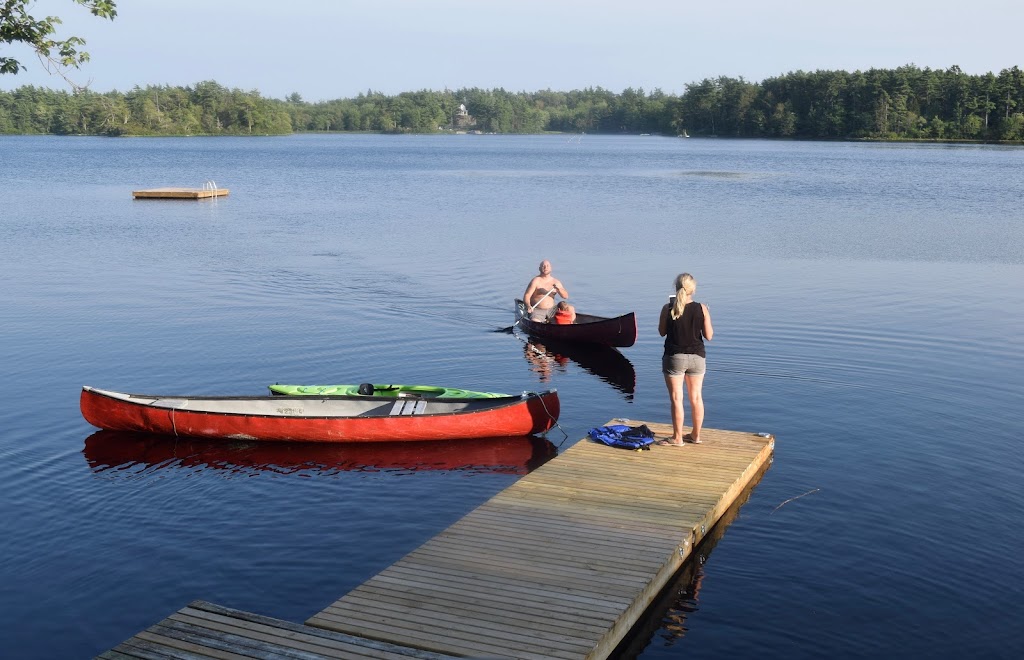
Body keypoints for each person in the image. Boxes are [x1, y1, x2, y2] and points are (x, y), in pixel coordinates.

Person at [657, 273, 713, 445]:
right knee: (696, 397)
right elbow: (709, 336)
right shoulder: (702, 308)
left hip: (675, 357)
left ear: (676, 288)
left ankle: (677, 438)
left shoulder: (668, 308)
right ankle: (696, 436)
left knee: (676, 398)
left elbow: (661, 332)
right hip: (697, 357)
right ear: (692, 290)